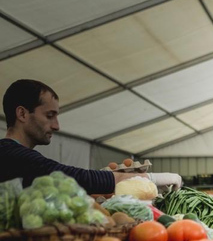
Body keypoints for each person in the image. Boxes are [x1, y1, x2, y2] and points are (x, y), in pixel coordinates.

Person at [1, 79, 181, 193]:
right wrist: (151, 179)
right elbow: (77, 179)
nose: (56, 126)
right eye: (49, 116)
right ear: (22, 114)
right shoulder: (12, 156)